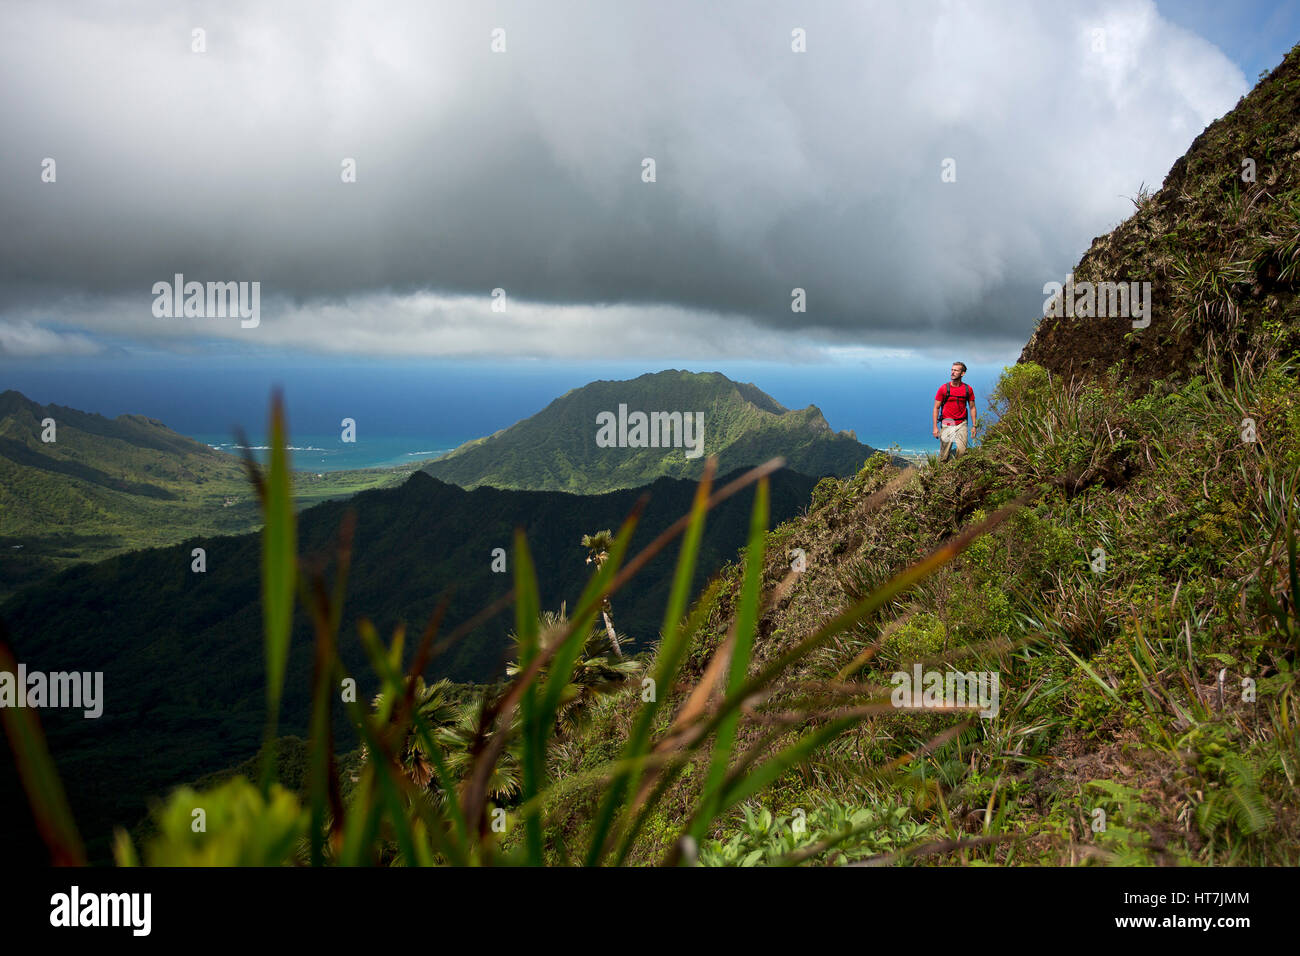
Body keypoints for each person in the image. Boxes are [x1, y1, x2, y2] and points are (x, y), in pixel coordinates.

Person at [932, 362, 977, 462]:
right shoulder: (944, 388)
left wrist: (974, 426)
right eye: (952, 370)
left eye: (956, 370)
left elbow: (972, 407)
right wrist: (935, 427)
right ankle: (942, 474)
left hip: (962, 423)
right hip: (947, 423)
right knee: (944, 455)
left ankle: (955, 471)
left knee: (962, 451)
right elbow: (936, 407)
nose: (952, 372)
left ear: (962, 373)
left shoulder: (967, 389)